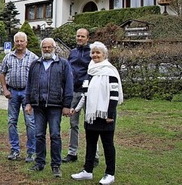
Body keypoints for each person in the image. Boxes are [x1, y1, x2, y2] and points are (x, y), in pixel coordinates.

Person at [71, 42, 123, 185]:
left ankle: (110, 173)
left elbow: (114, 95)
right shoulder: (90, 71)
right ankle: (87, 171)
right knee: (90, 144)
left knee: (108, 144)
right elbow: (85, 94)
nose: (95, 55)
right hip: (91, 115)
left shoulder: (109, 71)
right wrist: (76, 109)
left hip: (105, 115)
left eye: (98, 53)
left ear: (104, 55)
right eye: (93, 53)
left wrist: (110, 115)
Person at [24, 37, 74, 178]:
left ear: (54, 48)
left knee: (55, 135)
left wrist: (66, 105)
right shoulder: (35, 64)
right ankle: (39, 163)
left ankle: (56, 165)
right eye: (44, 47)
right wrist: (28, 102)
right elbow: (29, 85)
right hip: (38, 105)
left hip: (55, 106)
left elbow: (69, 86)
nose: (46, 49)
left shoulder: (63, 64)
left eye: (49, 47)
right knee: (39, 135)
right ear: (41, 48)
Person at [0, 31, 38, 162]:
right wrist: (5, 89)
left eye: (22, 41)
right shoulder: (8, 57)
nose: (20, 43)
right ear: (14, 42)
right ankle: (14, 150)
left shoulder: (33, 57)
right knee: (11, 122)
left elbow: (38, 77)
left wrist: (33, 95)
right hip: (13, 93)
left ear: (26, 42)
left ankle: (31, 152)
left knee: (31, 123)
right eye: (17, 41)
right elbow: (2, 73)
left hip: (28, 93)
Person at [66, 28, 99, 165]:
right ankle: (72, 153)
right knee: (73, 124)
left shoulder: (92, 53)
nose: (79, 38)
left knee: (91, 124)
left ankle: (94, 155)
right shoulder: (72, 52)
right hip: (74, 91)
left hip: (88, 93)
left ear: (87, 38)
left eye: (82, 36)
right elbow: (68, 70)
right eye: (78, 36)